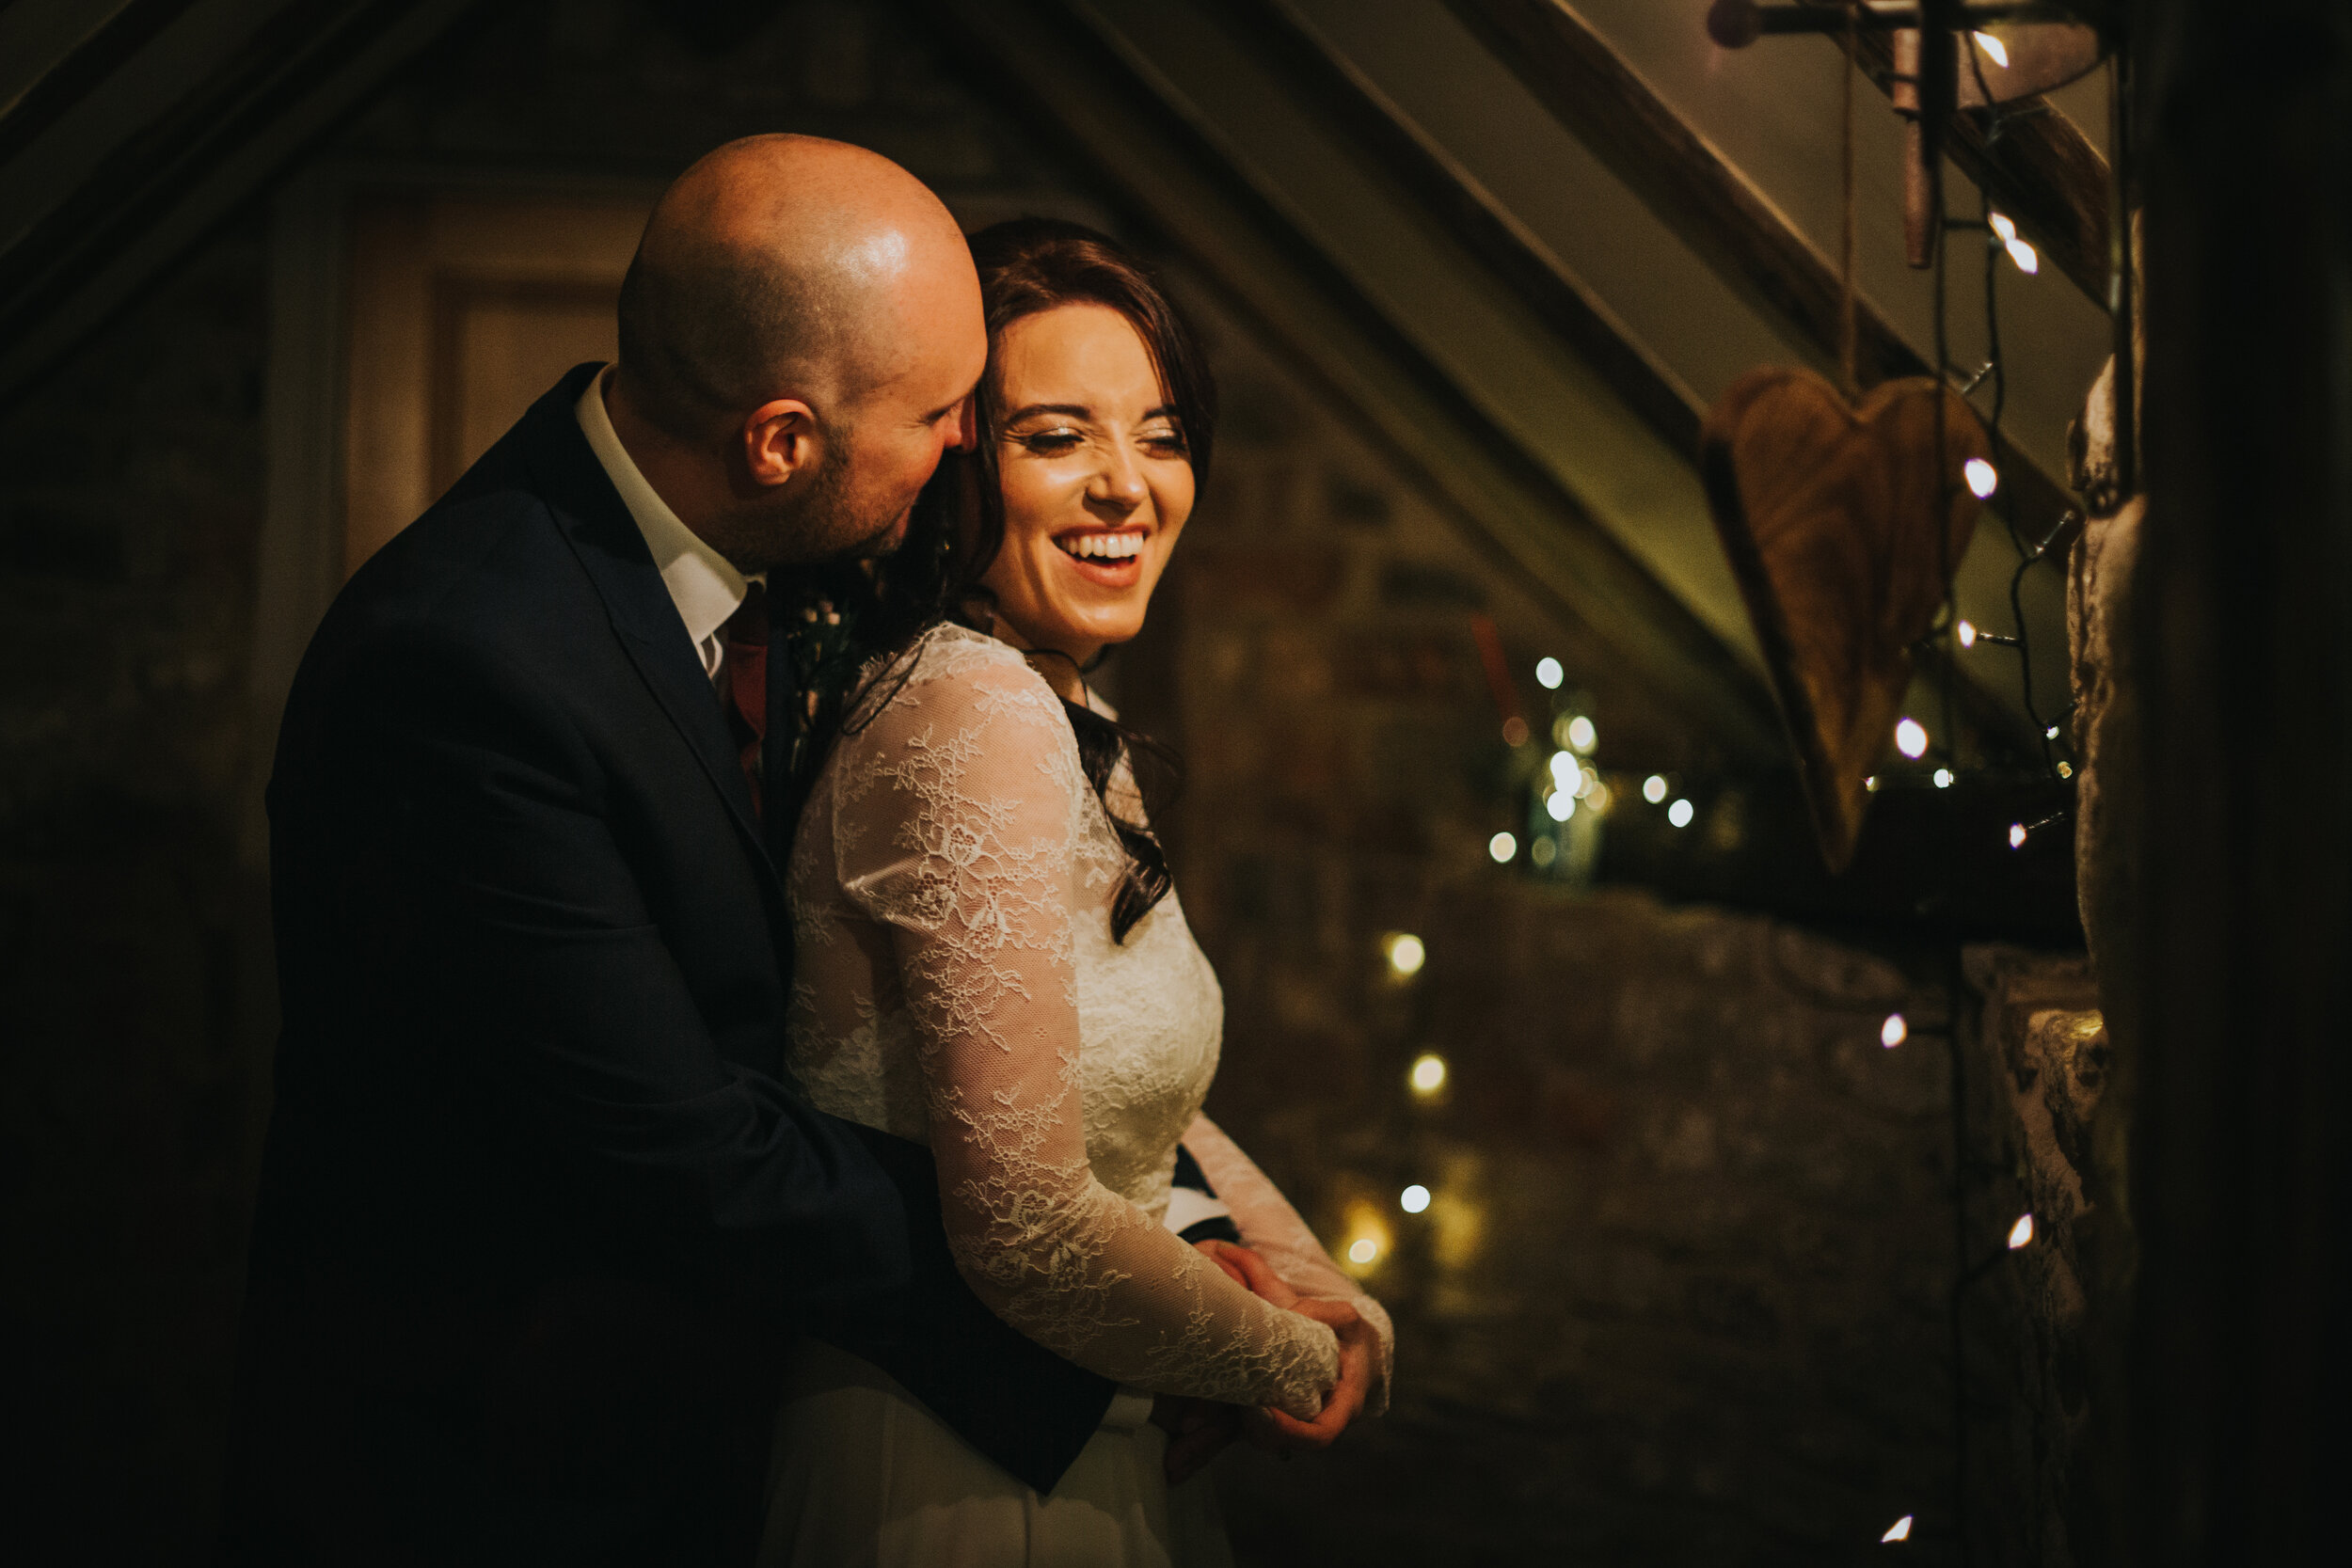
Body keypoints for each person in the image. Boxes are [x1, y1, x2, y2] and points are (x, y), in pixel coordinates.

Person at [219, 138, 1125, 1567]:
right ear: (779, 439)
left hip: (704, 1434)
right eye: (943, 410)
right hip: (495, 1484)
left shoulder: (786, 558)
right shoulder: (464, 668)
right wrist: (1091, 1305)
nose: (966, 444)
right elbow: (684, 1153)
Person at [760, 217, 1393, 1567]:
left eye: (1160, 437)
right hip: (953, 1471)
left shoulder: (1061, 706)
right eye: (1056, 438)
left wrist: (1328, 1294)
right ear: (955, 465)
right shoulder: (970, 709)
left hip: (1070, 1450)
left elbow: (1133, 1093)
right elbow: (1028, 1227)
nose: (1126, 486)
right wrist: (1284, 1357)